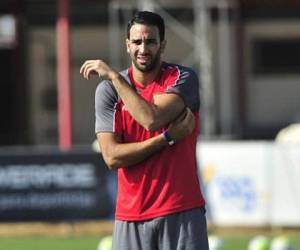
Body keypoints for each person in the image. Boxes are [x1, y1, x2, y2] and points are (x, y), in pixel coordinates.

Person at [80, 11, 209, 250]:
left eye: (150, 41)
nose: (143, 48)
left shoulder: (182, 78)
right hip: (131, 216)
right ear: (127, 45)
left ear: (162, 45)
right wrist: (167, 138)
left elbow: (151, 119)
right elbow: (111, 157)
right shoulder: (107, 92)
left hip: (181, 210)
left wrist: (115, 79)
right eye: (137, 42)